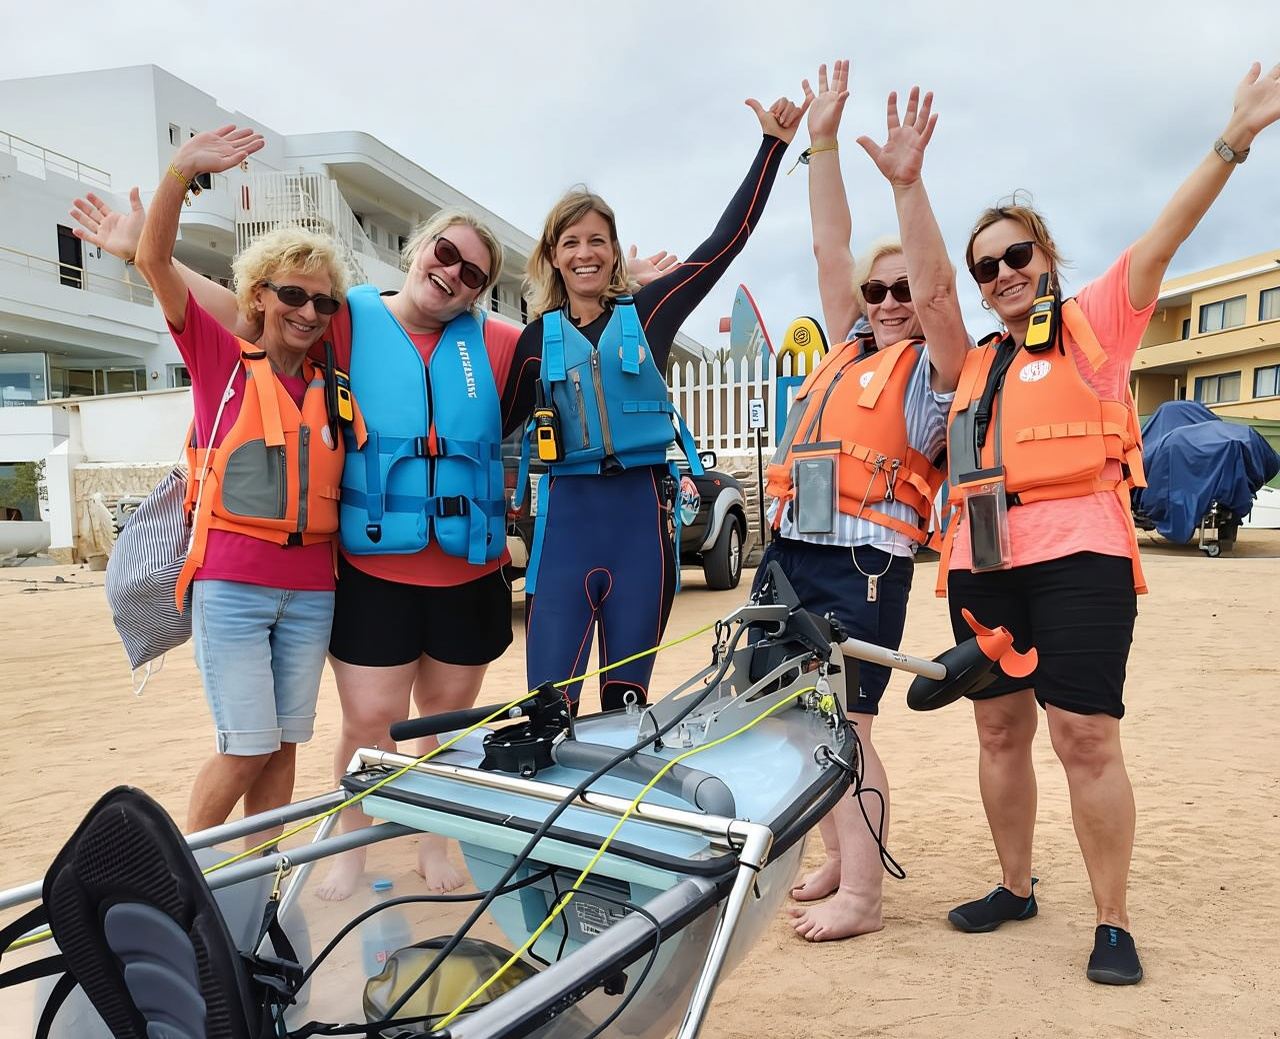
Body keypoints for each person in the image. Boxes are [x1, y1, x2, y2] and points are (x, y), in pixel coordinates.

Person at [73, 177, 678, 898]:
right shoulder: (347, 321)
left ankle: (433, 839)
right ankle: (350, 845)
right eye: (446, 253)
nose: (452, 273)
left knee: (442, 729)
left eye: (473, 273)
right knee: (368, 724)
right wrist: (149, 257)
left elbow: (582, 344)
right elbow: (244, 312)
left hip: (465, 573)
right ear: (420, 249)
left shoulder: (501, 343)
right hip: (374, 571)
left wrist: (617, 294)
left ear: (482, 291)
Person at [917, 62, 1280, 984]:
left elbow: (1167, 234)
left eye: (1016, 257)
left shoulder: (1097, 322)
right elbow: (923, 295)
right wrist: (905, 181)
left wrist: (1233, 140)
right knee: (999, 732)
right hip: (982, 560)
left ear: (1045, 257)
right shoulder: (967, 359)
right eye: (985, 266)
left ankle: (1112, 919)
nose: (1001, 274)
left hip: (1080, 555)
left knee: (1084, 735)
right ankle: (1015, 885)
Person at [513, 88, 808, 711]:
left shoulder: (649, 313)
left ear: (614, 251)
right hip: (566, 521)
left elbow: (724, 243)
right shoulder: (536, 338)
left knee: (626, 705)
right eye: (570, 242)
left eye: (597, 240)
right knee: (547, 707)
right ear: (552, 257)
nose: (585, 253)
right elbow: (493, 422)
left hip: (640, 520)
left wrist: (772, 147)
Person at [757, 63, 965, 942]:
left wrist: (908, 188)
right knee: (795, 720)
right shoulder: (851, 348)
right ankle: (842, 857)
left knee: (844, 726)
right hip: (791, 548)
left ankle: (866, 895)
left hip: (860, 561)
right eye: (876, 293)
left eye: (900, 293)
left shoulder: (931, 368)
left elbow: (940, 292)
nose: (885, 303)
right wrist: (825, 142)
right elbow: (828, 248)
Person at [133, 125, 351, 837]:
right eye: (295, 295)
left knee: (284, 748)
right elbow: (153, 259)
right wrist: (181, 175)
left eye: (324, 303)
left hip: (313, 591)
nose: (310, 313)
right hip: (232, 584)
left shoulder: (331, 383)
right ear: (259, 296)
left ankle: (260, 890)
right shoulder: (219, 361)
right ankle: (186, 876)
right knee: (245, 745)